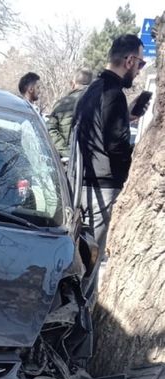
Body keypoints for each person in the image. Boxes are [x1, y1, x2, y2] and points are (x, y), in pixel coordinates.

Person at [73, 34, 145, 252]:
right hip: (101, 189)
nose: (139, 70)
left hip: (80, 182)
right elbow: (117, 147)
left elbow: (95, 128)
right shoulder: (113, 94)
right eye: (140, 64)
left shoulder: (93, 89)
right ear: (129, 61)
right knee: (90, 257)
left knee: (79, 254)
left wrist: (125, 117)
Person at [47, 68, 93, 158]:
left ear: (73, 83)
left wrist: (66, 153)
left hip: (67, 160)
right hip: (92, 159)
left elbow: (50, 129)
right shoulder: (100, 103)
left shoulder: (61, 104)